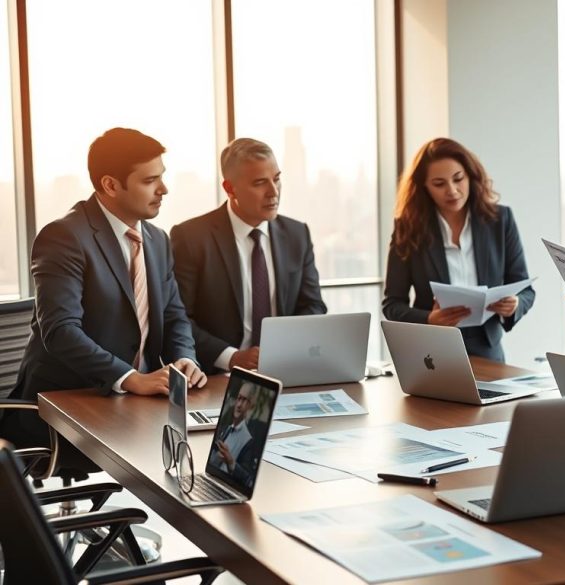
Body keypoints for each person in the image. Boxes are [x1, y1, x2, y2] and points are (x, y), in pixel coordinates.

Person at [1, 128, 206, 470]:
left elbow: (174, 317)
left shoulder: (157, 240)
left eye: (162, 177)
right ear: (111, 185)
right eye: (150, 180)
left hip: (134, 409)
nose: (163, 189)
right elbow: (61, 331)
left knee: (209, 452)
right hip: (65, 410)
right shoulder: (65, 237)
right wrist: (130, 378)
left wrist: (186, 358)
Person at [171, 138, 327, 373]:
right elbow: (179, 318)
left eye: (276, 179)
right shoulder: (191, 237)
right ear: (230, 188)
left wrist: (282, 349)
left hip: (286, 370)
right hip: (217, 377)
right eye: (259, 183)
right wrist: (231, 357)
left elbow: (313, 306)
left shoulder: (297, 234)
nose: (273, 192)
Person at [382, 137, 534, 362]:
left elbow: (526, 290)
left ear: (471, 176)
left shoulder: (500, 220)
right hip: (432, 351)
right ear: (424, 187)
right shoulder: (408, 228)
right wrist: (429, 319)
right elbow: (392, 304)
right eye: (439, 183)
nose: (452, 191)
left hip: (487, 349)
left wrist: (514, 304)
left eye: (458, 179)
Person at [209, 382, 259, 486]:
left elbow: (247, 479)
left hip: (227, 486)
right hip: (213, 480)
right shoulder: (225, 429)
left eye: (244, 400)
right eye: (239, 398)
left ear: (251, 405)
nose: (239, 404)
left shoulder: (249, 441)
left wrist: (230, 461)